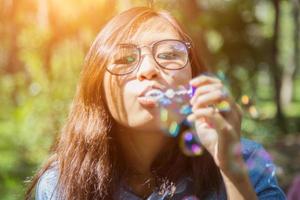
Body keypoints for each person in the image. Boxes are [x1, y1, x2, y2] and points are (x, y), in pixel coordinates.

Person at [25, 7, 286, 200]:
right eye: (125, 59)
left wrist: (232, 172)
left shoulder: (245, 162)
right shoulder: (63, 183)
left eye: (170, 54)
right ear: (97, 87)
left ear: (193, 78)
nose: (148, 69)